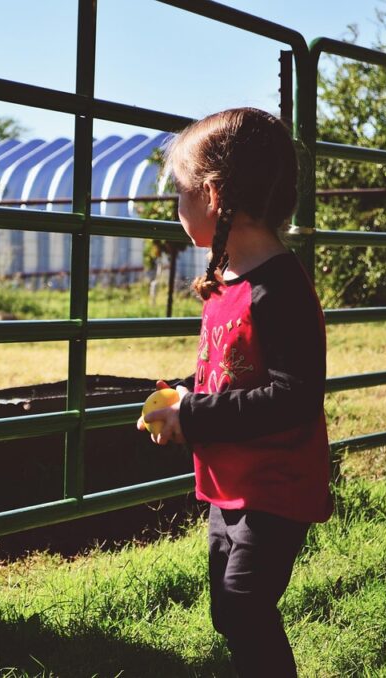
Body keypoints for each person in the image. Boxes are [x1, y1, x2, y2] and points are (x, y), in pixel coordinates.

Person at [137, 107, 333, 678]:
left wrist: (195, 415)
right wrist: (183, 396)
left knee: (245, 605)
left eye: (180, 192)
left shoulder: (281, 289)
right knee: (229, 610)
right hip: (231, 484)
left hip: (275, 486)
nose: (176, 207)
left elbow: (293, 396)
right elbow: (230, 372)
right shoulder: (228, 283)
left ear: (213, 195)